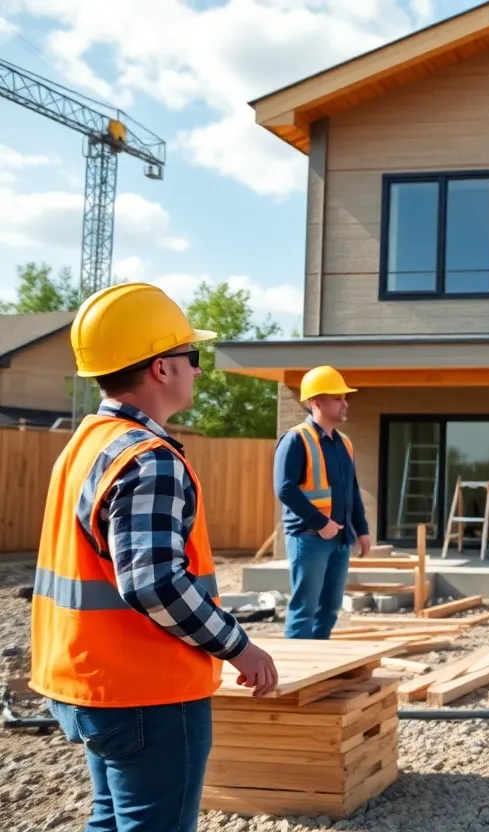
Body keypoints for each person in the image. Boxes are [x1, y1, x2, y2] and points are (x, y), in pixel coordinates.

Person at [29, 282, 279, 832]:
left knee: (111, 819)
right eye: (192, 356)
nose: (197, 368)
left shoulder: (87, 443)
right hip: (146, 691)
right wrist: (240, 647)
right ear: (162, 369)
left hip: (88, 681)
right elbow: (152, 583)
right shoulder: (150, 459)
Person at [274, 365, 371, 639]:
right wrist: (321, 523)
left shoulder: (344, 443)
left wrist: (361, 530)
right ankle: (296, 673)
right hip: (309, 538)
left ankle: (319, 668)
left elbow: (352, 491)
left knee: (329, 609)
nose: (345, 403)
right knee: (305, 608)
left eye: (344, 397)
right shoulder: (295, 439)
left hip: (340, 539)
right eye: (338, 398)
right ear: (317, 402)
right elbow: (285, 489)